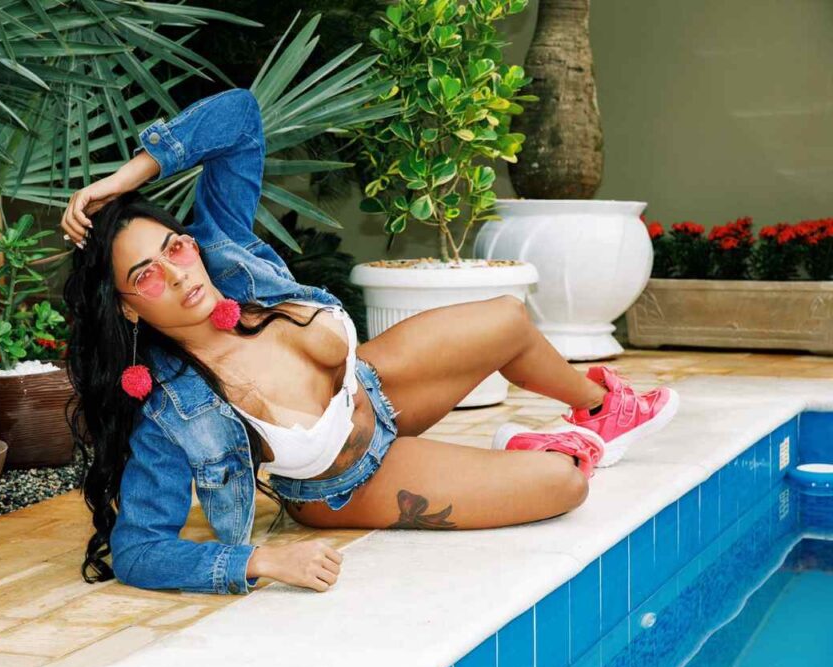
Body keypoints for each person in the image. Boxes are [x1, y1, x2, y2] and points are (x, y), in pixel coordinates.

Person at [59, 88, 680, 596]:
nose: (175, 274)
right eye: (146, 275)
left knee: (509, 319)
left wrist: (127, 178)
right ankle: (533, 448)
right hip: (349, 480)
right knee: (564, 483)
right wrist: (259, 561)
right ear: (127, 306)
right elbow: (140, 550)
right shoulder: (168, 407)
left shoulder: (225, 252)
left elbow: (240, 115)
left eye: (173, 248)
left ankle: (603, 409)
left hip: (377, 389)